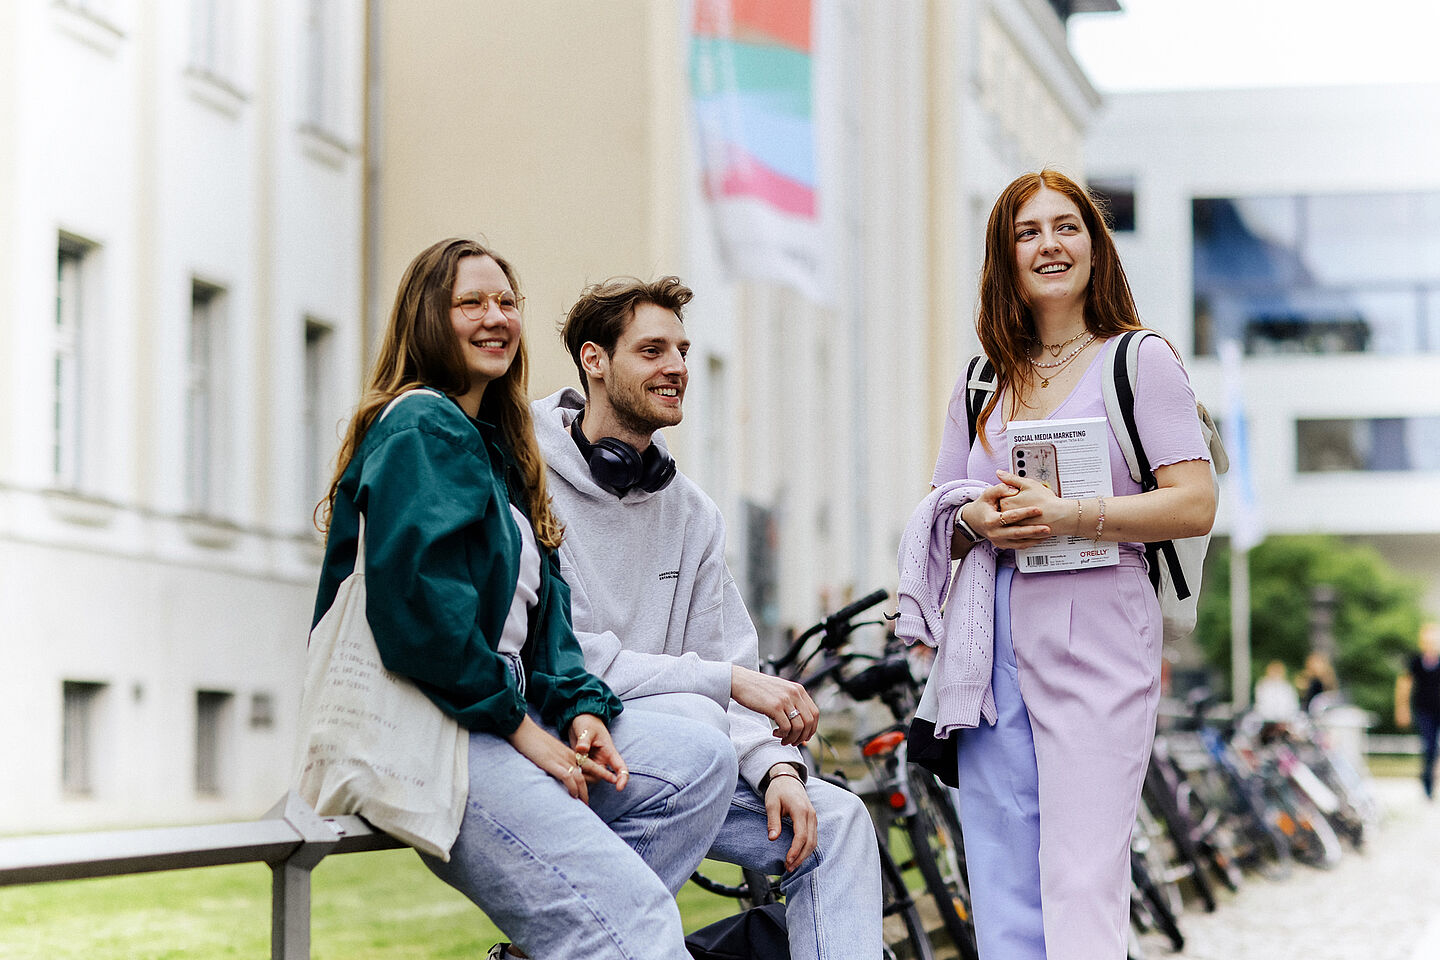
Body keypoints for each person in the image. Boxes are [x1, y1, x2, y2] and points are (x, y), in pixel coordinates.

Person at [312, 239, 736, 960]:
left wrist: (577, 708)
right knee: (637, 926)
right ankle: (580, 932)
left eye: (506, 302)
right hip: (443, 732)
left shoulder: (500, 449)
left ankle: (558, 940)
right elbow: (422, 617)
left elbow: (548, 621)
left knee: (702, 758)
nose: (495, 317)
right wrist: (523, 729)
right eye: (470, 302)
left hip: (496, 722)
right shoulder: (422, 426)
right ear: (427, 318)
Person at [531, 276, 883, 960]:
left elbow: (731, 662)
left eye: (683, 351)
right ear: (593, 360)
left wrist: (780, 770)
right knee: (697, 728)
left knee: (836, 820)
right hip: (567, 743)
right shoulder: (529, 482)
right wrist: (723, 684)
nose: (678, 368)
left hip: (695, 762)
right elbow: (567, 657)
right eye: (652, 350)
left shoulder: (690, 512)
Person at [923, 171, 1217, 960]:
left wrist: (1074, 515)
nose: (1049, 244)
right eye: (1028, 232)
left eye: (1067, 227)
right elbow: (941, 519)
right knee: (1000, 874)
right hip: (990, 646)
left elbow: (1194, 502)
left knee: (1081, 876)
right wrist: (976, 517)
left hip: (1100, 623)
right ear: (1006, 256)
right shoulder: (980, 380)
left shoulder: (1139, 361)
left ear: (1094, 245)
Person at [1395, 620, 1440, 800]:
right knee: (1429, 747)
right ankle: (1427, 782)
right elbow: (1404, 685)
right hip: (1424, 710)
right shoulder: (1416, 660)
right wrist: (1402, 708)